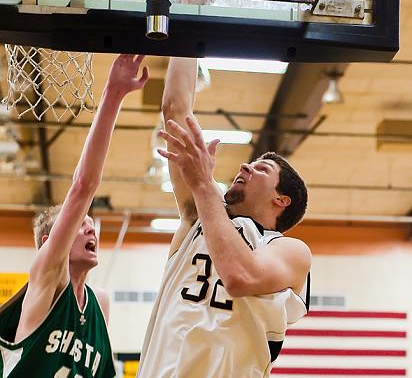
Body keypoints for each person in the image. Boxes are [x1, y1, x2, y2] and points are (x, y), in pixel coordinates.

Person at [138, 58, 311, 378]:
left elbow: (241, 277)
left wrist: (204, 185)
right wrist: (188, 32)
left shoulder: (290, 251)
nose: (245, 167)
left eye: (262, 169)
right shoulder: (197, 216)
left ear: (281, 200)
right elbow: (175, 111)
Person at [0, 54, 149, 378]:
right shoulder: (48, 277)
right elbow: (84, 186)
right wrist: (113, 94)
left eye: (92, 226)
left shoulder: (101, 304)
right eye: (81, 226)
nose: (90, 231)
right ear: (48, 243)